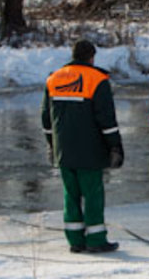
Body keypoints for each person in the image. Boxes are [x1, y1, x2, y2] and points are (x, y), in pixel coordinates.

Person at [41, 39, 123, 253]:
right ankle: (96, 240)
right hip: (90, 150)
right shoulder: (97, 79)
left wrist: (51, 145)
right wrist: (115, 146)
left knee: (71, 194)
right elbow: (106, 119)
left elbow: (46, 119)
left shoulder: (53, 79)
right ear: (92, 57)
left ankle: (75, 240)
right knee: (93, 194)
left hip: (64, 150)